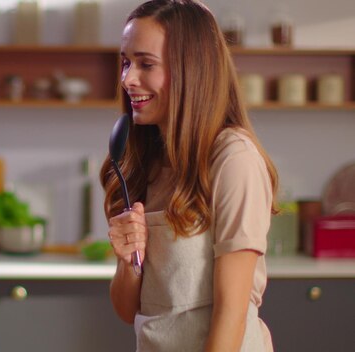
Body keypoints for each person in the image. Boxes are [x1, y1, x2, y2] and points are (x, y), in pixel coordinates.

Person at [100, 1, 279, 351]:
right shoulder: (146, 162)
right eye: (125, 62)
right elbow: (127, 310)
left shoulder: (233, 158)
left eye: (145, 64)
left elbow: (232, 313)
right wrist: (128, 260)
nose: (127, 79)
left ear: (191, 70)